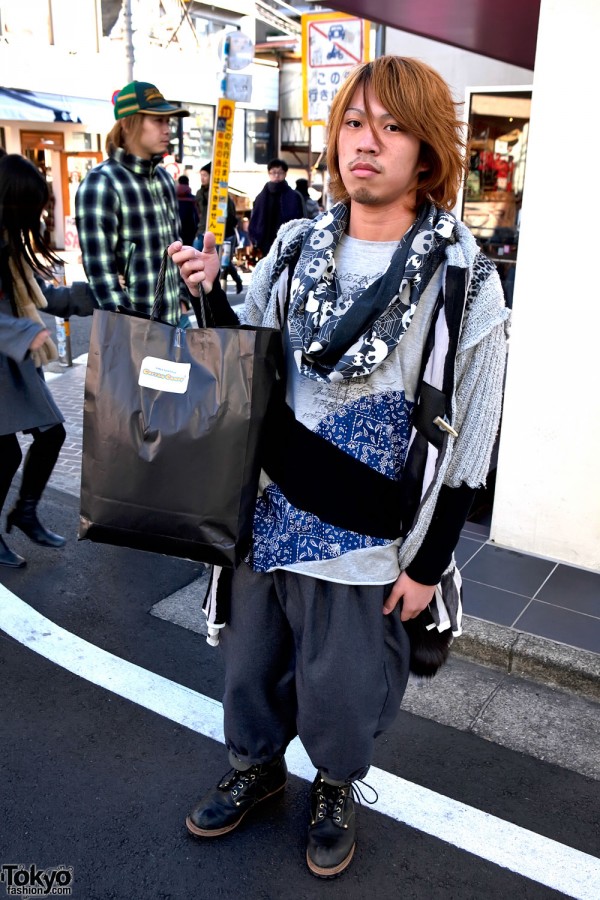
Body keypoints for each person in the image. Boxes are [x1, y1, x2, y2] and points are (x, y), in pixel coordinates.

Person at [168, 56, 509, 878]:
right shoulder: (293, 248)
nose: (369, 143)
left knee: (344, 695)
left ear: (425, 151)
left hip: (369, 543)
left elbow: (473, 439)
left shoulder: (465, 278)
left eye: (393, 127)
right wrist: (211, 292)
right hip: (267, 517)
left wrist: (428, 566)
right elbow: (241, 360)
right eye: (355, 123)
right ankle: (254, 768)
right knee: (249, 670)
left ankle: (334, 785)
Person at [0, 154, 95, 568]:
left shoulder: (8, 244)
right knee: (5, 455)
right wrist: (25, 332)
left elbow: (42, 295)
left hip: (14, 366)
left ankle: (24, 511)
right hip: (9, 361)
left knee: (49, 434)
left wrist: (99, 296)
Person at [75, 80, 190, 325]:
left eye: (168, 121)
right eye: (157, 120)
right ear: (128, 124)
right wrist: (132, 329)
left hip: (174, 324)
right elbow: (101, 275)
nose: (167, 129)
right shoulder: (102, 183)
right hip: (133, 335)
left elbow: (177, 248)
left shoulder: (164, 179)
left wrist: (182, 299)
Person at [248, 158, 303, 258]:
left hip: (288, 242)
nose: (276, 175)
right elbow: (254, 219)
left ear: (285, 174)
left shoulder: (294, 196)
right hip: (265, 243)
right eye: (273, 172)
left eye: (280, 172)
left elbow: (301, 219)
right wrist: (254, 240)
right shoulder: (260, 197)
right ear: (269, 174)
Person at [192, 162, 211, 250]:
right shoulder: (199, 193)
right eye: (201, 175)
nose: (202, 178)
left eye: (205, 175)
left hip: (214, 232)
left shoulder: (217, 193)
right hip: (201, 230)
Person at [176, 174, 199, 246]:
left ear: (179, 183)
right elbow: (196, 216)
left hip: (176, 230)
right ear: (188, 183)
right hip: (189, 232)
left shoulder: (173, 197)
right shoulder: (193, 199)